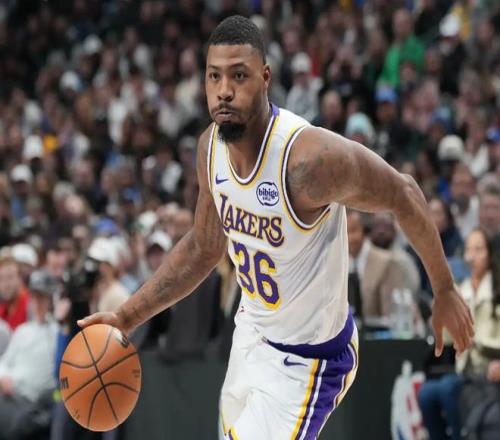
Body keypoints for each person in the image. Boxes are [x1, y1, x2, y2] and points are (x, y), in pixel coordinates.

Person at [78, 16, 474, 440]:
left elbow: (405, 193)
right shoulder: (210, 149)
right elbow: (203, 246)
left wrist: (444, 287)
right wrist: (126, 316)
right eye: (214, 76)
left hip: (310, 359)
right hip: (251, 335)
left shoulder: (308, 161)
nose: (224, 90)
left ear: (265, 78)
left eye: (238, 76)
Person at [418, 229, 500, 440]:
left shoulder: (496, 290)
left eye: (479, 249)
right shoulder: (460, 291)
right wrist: (440, 312)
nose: (472, 256)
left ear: (490, 254)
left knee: (447, 389)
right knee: (426, 394)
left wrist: (474, 339)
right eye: (469, 250)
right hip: (465, 371)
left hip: (489, 368)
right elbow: (447, 339)